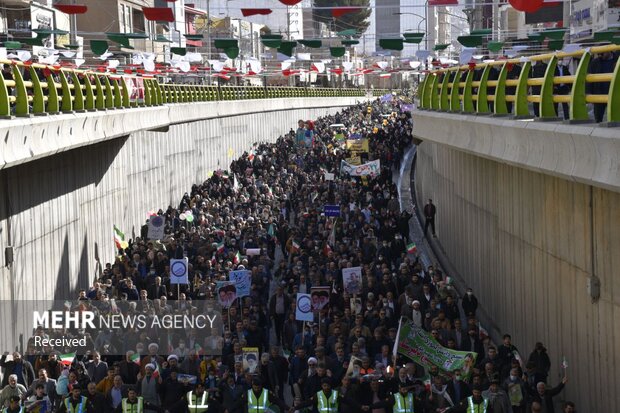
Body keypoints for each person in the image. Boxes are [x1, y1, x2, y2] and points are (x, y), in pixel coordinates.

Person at [293, 377, 367, 412]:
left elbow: (349, 401)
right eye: (324, 386)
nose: (326, 387)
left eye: (328, 385)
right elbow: (307, 402)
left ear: (330, 386)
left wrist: (360, 406)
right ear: (322, 386)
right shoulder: (318, 395)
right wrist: (295, 408)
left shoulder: (336, 394)